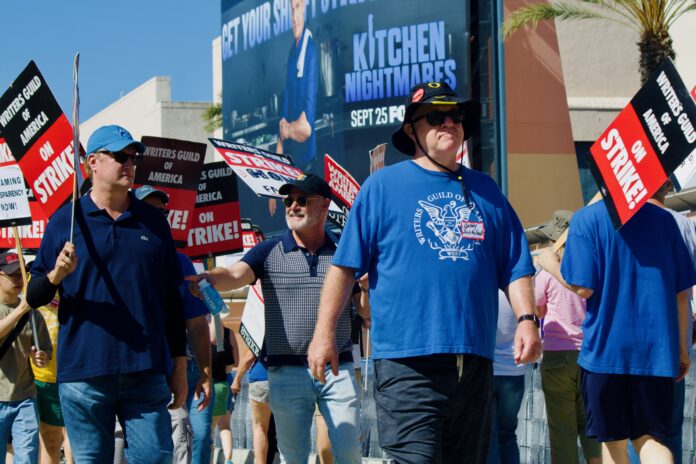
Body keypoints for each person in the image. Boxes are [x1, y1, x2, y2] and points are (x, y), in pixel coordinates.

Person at [308, 81, 540, 464]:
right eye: (437, 116)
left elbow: (516, 264)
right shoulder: (381, 187)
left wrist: (528, 320)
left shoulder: (487, 190)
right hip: (406, 362)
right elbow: (345, 267)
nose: (450, 122)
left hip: (475, 363)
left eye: (456, 116)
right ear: (411, 130)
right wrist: (324, 335)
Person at [26, 125, 188, 463]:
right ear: (92, 162)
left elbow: (172, 299)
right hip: (84, 375)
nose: (129, 163)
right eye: (120, 156)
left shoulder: (154, 222)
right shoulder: (66, 222)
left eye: (133, 157)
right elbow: (35, 295)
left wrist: (180, 363)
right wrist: (56, 274)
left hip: (145, 370)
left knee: (156, 458)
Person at [190, 173, 361, 464]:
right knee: (292, 457)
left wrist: (369, 289)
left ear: (324, 206)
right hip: (286, 372)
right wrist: (210, 278)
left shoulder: (345, 251)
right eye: (288, 200)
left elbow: (364, 309)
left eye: (302, 200)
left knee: (347, 452)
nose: (293, 206)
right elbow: (234, 274)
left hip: (337, 368)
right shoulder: (268, 250)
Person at [535, 195, 696, 464]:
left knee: (613, 445)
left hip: (604, 354)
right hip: (655, 353)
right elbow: (682, 295)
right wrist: (682, 350)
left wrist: (552, 266)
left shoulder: (587, 218)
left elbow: (584, 286)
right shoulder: (665, 220)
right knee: (651, 441)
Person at [133, 185, 214, 464]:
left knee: (196, 436)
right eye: (150, 210)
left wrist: (205, 371)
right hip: (139, 368)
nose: (160, 217)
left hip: (184, 368)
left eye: (163, 212)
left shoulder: (181, 263)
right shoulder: (122, 255)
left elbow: (197, 322)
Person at [533, 211, 601, 464]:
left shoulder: (547, 273)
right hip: (588, 354)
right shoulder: (592, 269)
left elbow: (538, 309)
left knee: (562, 430)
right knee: (591, 429)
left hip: (556, 355)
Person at [0, 251, 51, 464]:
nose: (20, 279)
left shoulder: (33, 313)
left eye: (21, 274)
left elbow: (46, 351)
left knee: (27, 458)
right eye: (13, 275)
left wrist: (42, 357)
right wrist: (20, 309)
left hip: (25, 397)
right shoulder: (24, 309)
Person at [29, 290, 74, 464]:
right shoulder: (29, 281)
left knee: (80, 437)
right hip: (42, 377)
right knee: (50, 439)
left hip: (77, 373)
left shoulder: (77, 278)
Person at [275, 0, 318, 168]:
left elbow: (306, 129)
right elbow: (284, 118)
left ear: (305, 8)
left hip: (306, 161)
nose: (294, 17)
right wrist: (286, 128)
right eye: (292, 10)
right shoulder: (292, 53)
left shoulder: (311, 51)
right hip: (290, 160)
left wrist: (287, 130)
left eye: (298, 8)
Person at [487, 291, 528, 464]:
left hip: (487, 370)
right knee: (508, 434)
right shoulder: (521, 291)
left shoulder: (485, 285)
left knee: (488, 437)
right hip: (515, 370)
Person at [232, 347, 277, 464]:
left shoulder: (261, 329)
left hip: (261, 378)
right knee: (285, 429)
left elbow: (250, 355)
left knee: (260, 428)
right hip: (287, 379)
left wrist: (237, 379)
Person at [209, 324, 237, 464]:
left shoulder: (196, 328)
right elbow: (234, 361)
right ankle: (228, 460)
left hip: (207, 384)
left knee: (205, 431)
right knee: (225, 424)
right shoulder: (228, 332)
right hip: (224, 382)